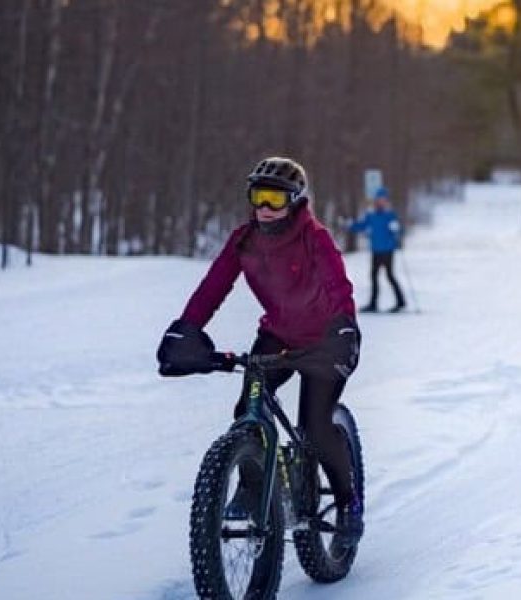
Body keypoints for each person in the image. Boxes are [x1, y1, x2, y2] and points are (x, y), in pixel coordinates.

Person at [156, 156, 364, 547]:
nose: (265, 209)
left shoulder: (314, 238)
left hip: (325, 339)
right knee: (247, 410)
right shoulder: (244, 241)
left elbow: (340, 288)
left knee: (316, 427)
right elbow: (211, 290)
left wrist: (345, 327)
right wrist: (187, 330)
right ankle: (253, 485)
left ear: (296, 201)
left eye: (275, 199)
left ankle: (348, 503)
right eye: (258, 197)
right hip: (279, 336)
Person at [348, 187, 406, 313]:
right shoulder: (371, 215)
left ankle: (401, 302)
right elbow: (362, 226)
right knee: (374, 276)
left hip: (387, 250)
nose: (380, 202)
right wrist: (350, 225)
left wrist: (397, 230)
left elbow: (400, 230)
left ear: (386, 201)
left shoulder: (390, 215)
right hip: (376, 250)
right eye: (378, 200)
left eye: (383, 199)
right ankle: (373, 304)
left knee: (390, 275)